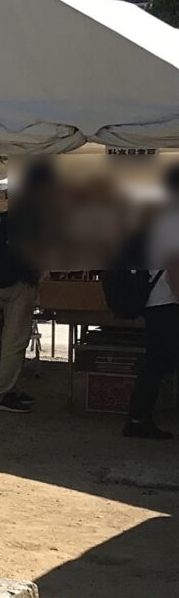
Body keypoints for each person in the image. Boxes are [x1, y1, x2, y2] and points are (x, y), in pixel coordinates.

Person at [0, 166, 51, 413]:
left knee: (12, 336)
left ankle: (11, 387)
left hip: (0, 284)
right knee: (16, 339)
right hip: (22, 284)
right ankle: (4, 393)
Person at [124, 165, 179, 439]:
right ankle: (138, 418)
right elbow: (175, 267)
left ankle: (138, 417)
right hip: (167, 301)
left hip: (154, 300)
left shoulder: (156, 217)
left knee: (156, 361)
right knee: (158, 362)